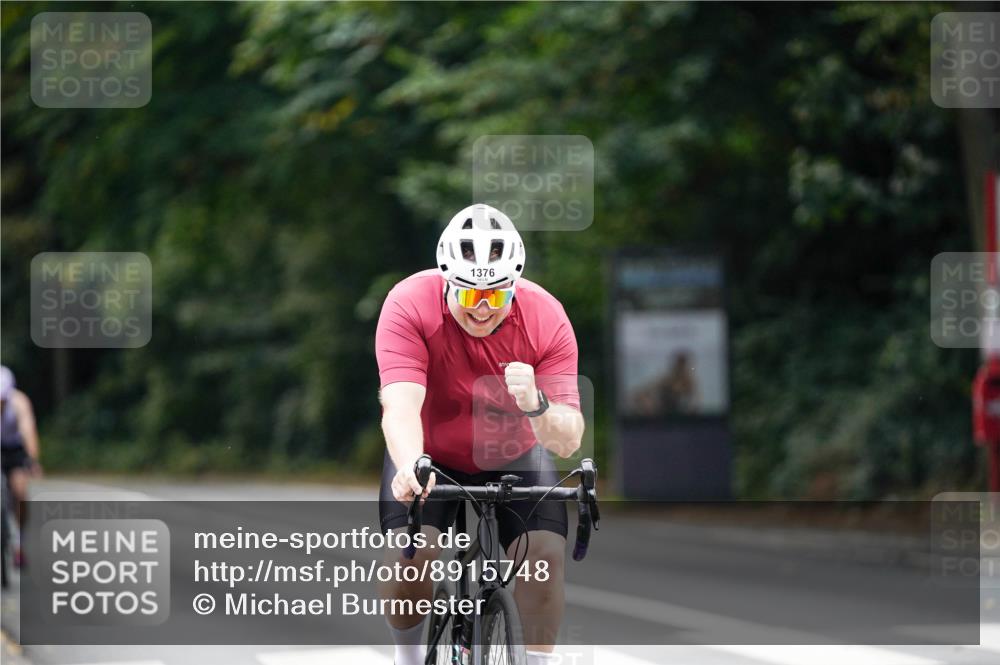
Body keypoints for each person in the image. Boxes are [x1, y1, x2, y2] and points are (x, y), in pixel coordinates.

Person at [375, 204, 584, 665]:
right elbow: (400, 405)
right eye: (471, 297)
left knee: (545, 558)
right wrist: (410, 463)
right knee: (413, 555)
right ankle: (406, 659)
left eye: (497, 295)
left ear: (515, 286)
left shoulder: (545, 316)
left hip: (512, 451)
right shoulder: (410, 303)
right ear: (448, 282)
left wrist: (536, 403)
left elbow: (567, 439)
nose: (485, 309)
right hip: (430, 450)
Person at [1, 365, 42, 560]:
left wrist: (32, 460)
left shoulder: (19, 402)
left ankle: (20, 541)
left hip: (14, 449)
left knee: (19, 490)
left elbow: (28, 432)